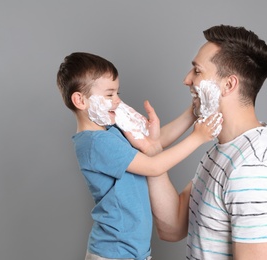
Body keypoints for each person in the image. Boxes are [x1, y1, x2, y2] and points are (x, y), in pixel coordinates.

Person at [128, 25, 267, 259]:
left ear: (228, 85)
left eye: (197, 71)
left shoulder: (255, 170)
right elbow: (172, 227)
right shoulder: (223, 150)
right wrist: (153, 151)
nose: (186, 79)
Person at [56, 52, 222, 260]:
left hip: (130, 251)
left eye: (117, 93)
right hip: (114, 253)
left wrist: (192, 112)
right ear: (80, 100)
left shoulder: (110, 131)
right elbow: (153, 167)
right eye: (109, 95)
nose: (117, 101)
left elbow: (155, 144)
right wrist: (197, 138)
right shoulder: (96, 143)